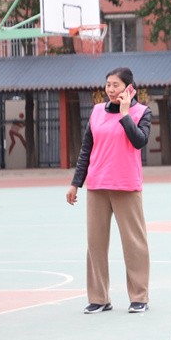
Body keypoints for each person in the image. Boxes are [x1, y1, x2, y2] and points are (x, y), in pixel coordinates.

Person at [66, 67, 152, 314]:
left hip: (126, 186)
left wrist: (125, 114)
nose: (111, 90)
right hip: (97, 186)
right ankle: (99, 298)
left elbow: (139, 141)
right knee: (95, 244)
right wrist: (76, 183)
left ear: (129, 88)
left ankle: (139, 297)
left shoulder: (142, 112)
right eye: (108, 85)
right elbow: (86, 150)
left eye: (116, 85)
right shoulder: (96, 112)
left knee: (134, 244)